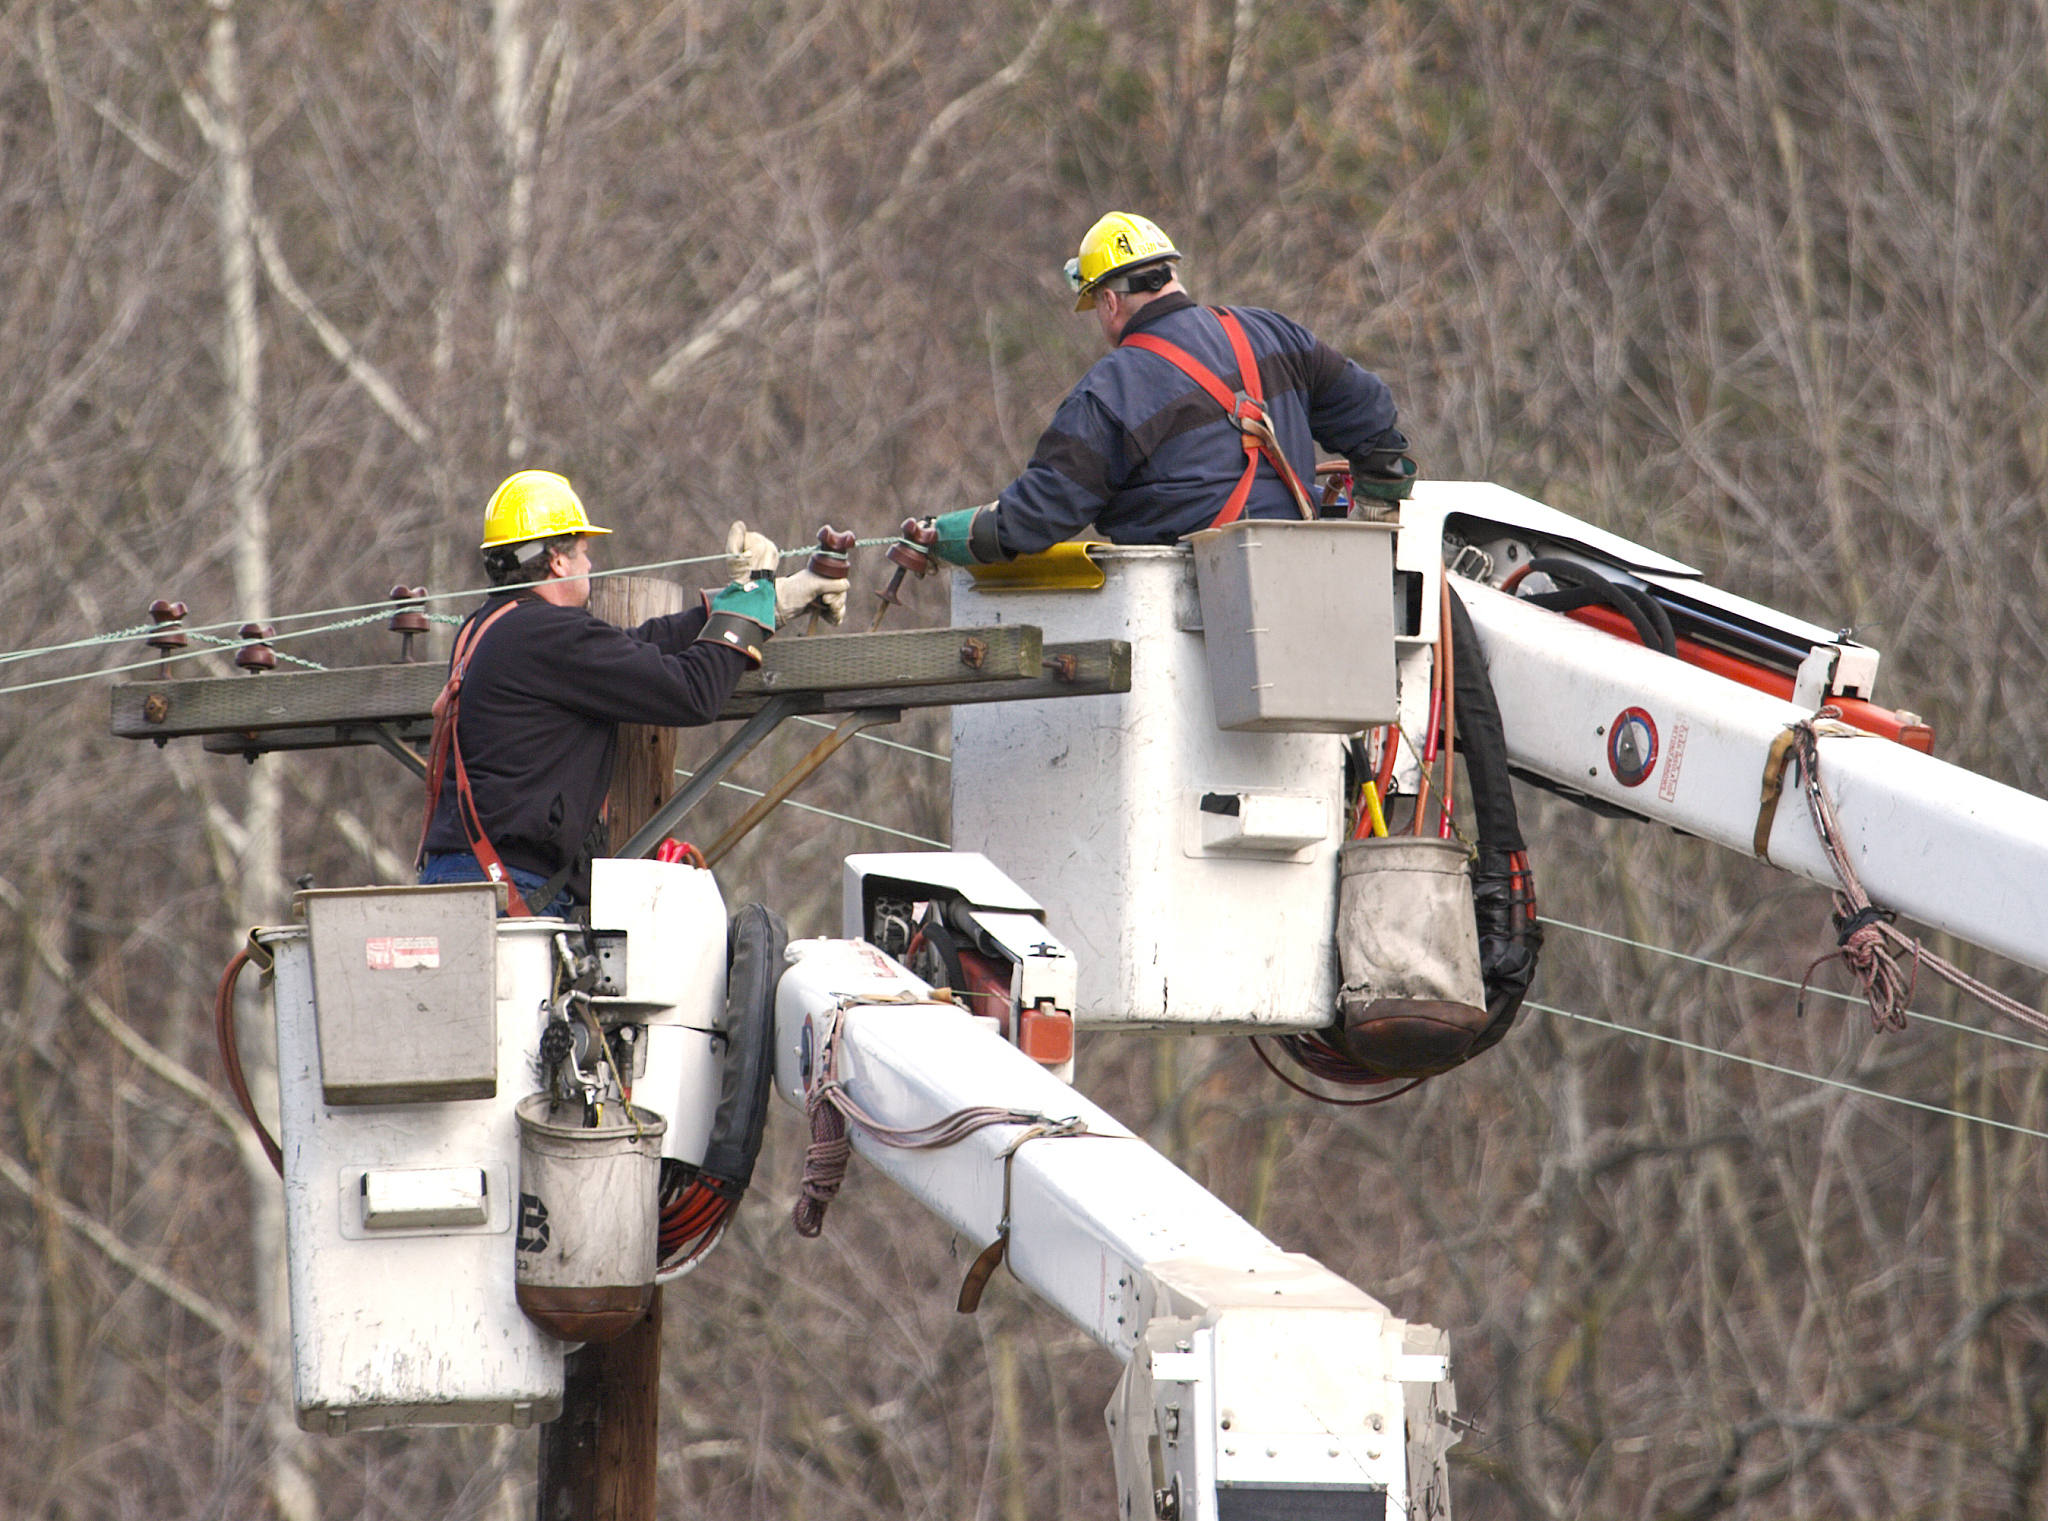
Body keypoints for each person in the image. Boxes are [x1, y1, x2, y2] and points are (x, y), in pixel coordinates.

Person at [417, 469, 846, 916]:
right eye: (583, 553)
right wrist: (745, 603)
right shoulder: (545, 635)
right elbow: (692, 691)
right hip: (508, 887)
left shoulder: (491, 629)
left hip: (470, 881)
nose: (589, 565)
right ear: (558, 561)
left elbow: (638, 647)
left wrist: (763, 602)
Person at [918, 211, 1416, 565]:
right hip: (1308, 574)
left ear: (1110, 302)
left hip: (1186, 601)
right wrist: (1377, 508)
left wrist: (953, 536)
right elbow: (1371, 412)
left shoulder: (1115, 388)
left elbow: (1044, 510)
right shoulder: (1273, 334)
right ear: (1171, 276)